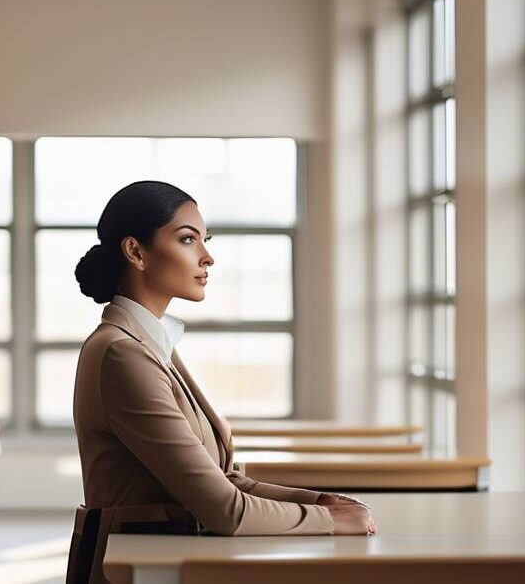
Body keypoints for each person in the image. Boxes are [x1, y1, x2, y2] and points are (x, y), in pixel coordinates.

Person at [68, 180, 375, 584]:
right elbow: (224, 510)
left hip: (167, 560)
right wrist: (329, 521)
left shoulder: (148, 343)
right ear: (136, 252)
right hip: (141, 572)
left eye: (204, 240)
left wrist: (319, 501)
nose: (207, 257)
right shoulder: (122, 353)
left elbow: (224, 478)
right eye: (187, 239)